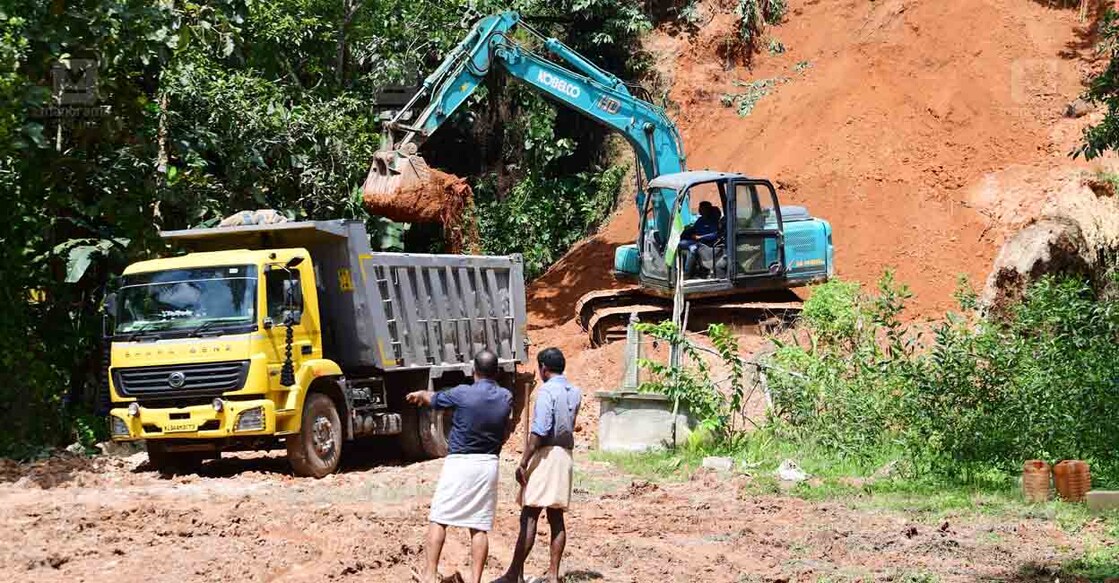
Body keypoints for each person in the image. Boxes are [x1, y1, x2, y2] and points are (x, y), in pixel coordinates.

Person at [406, 350, 513, 583]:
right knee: (479, 526)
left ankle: (429, 575)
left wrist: (418, 394)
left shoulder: (462, 393)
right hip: (488, 464)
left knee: (439, 517)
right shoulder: (505, 397)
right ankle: (475, 580)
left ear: (473, 370)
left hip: (460, 463)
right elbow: (505, 430)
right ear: (496, 372)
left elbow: (432, 399)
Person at [494, 347, 582, 583]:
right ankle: (553, 576)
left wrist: (523, 462)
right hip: (565, 455)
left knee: (529, 515)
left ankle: (514, 575)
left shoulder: (546, 392)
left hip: (546, 455)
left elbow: (540, 430)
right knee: (556, 517)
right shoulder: (575, 392)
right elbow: (571, 423)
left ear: (543, 368)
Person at [677, 201, 722, 277]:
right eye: (699, 208)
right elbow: (693, 229)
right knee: (679, 244)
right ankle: (678, 270)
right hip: (696, 241)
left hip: (706, 244)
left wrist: (701, 237)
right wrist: (681, 233)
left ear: (707, 209)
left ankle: (687, 274)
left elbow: (715, 234)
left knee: (692, 249)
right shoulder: (700, 220)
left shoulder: (713, 221)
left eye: (702, 208)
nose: (699, 210)